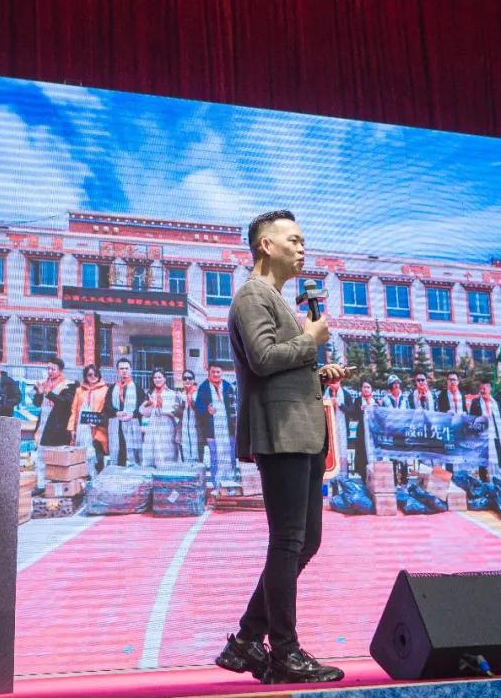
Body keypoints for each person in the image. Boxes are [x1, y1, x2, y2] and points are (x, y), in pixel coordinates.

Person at [215, 209, 344, 685]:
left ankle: (248, 640)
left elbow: (281, 367)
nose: (302, 248)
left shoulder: (277, 299)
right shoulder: (252, 295)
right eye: (294, 240)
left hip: (302, 432)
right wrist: (310, 340)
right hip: (281, 433)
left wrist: (318, 373)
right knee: (289, 541)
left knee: (305, 542)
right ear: (266, 246)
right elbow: (264, 358)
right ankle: (284, 652)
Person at [31, 358, 78, 496]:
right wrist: (39, 393)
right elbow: (36, 403)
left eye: (53, 369)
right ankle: (41, 485)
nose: (50, 371)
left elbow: (65, 403)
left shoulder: (68, 385)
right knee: (40, 458)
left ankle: (56, 488)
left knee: (57, 459)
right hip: (43, 425)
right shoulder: (43, 384)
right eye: (48, 369)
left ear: (60, 370)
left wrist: (49, 393)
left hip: (58, 427)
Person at [194, 362, 238, 488]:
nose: (215, 374)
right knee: (214, 457)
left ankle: (230, 484)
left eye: (218, 372)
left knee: (230, 455)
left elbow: (234, 405)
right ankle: (216, 485)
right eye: (213, 372)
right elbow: (198, 407)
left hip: (228, 428)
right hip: (211, 429)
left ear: (222, 373)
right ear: (209, 373)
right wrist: (207, 410)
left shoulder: (228, 386)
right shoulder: (203, 387)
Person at [68, 364, 110, 474]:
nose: (93, 377)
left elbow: (107, 410)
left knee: (97, 455)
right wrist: (71, 428)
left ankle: (96, 477)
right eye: (90, 374)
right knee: (81, 454)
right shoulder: (79, 390)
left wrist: (99, 421)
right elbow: (74, 410)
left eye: (95, 374)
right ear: (85, 376)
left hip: (97, 428)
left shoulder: (106, 389)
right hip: (81, 428)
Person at [103, 357, 145, 466]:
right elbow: (106, 406)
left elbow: (142, 408)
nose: (124, 371)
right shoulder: (112, 388)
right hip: (116, 425)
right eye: (121, 369)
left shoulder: (137, 388)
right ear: (117, 371)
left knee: (132, 454)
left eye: (126, 368)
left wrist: (132, 414)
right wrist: (116, 412)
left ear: (131, 370)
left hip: (132, 425)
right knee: (118, 452)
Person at [140, 368, 184, 468]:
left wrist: (163, 410)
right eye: (155, 378)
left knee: (167, 452)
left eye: (159, 377)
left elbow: (177, 413)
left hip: (167, 426)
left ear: (165, 378)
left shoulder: (172, 393)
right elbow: (143, 412)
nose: (157, 380)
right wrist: (150, 404)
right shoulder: (150, 393)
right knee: (153, 453)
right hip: (153, 426)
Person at [468, 378, 501, 481]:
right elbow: (472, 419)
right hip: (482, 438)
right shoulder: (476, 402)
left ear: (490, 388)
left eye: (485, 388)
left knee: (498, 460)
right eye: (481, 388)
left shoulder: (495, 402)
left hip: (496, 436)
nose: (483, 390)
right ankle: (485, 483)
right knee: (483, 462)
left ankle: (499, 480)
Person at [322, 374, 352, 476]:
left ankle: (342, 476)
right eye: (331, 382)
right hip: (328, 428)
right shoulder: (325, 394)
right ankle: (330, 477)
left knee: (341, 451)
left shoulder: (346, 395)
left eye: (335, 382)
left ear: (340, 382)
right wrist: (328, 403)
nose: (333, 384)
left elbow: (351, 411)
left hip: (341, 428)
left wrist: (339, 404)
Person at [349, 381, 377, 478]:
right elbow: (353, 416)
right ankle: (363, 476)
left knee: (372, 453)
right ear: (361, 389)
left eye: (368, 387)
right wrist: (360, 409)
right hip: (362, 431)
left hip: (372, 432)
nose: (366, 389)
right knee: (362, 453)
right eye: (364, 387)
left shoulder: (375, 401)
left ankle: (373, 477)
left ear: (371, 389)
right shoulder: (357, 401)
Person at [178, 369, 203, 463]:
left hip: (196, 427)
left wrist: (190, 399)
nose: (187, 380)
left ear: (194, 380)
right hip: (184, 427)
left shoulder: (198, 393)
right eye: (185, 378)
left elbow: (200, 411)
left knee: (196, 451)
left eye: (189, 378)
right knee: (185, 450)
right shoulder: (181, 394)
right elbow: (179, 414)